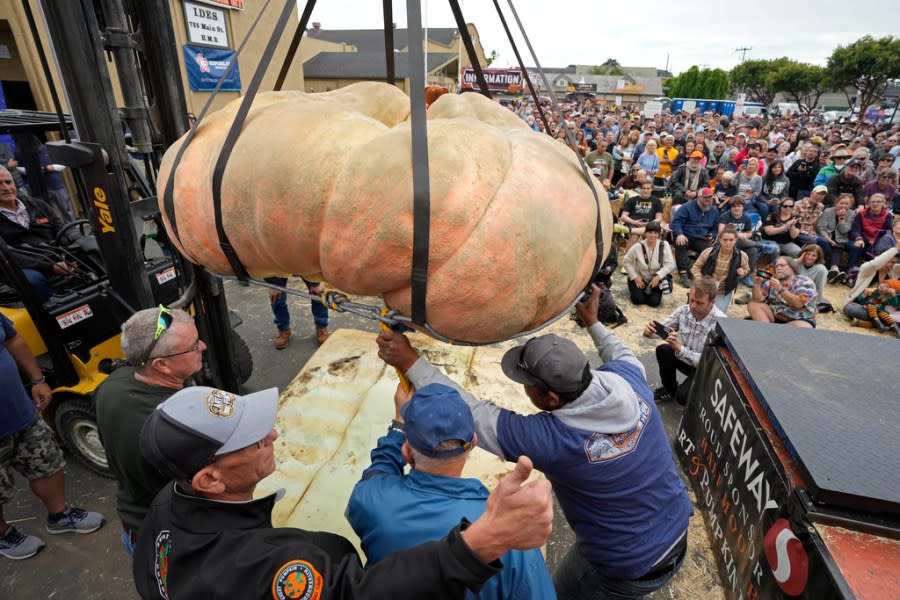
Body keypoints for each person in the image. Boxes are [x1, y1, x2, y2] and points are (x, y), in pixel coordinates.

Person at [377, 285, 692, 600]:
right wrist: (594, 322)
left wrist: (410, 361)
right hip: (676, 528)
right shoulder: (629, 379)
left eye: (528, 384)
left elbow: (472, 413)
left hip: (625, 564)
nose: (524, 388)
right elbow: (619, 351)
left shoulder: (554, 440)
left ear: (551, 398)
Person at [134, 386, 554, 600]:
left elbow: (377, 474)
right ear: (209, 479)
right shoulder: (272, 567)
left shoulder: (163, 512)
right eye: (252, 439)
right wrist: (488, 538)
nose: (273, 434)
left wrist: (395, 432)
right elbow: (363, 594)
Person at [345, 383, 556, 600]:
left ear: (407, 453)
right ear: (473, 442)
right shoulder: (508, 532)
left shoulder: (370, 500)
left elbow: (379, 469)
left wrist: (399, 426)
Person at [95, 306, 206, 556]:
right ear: (162, 365)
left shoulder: (111, 385)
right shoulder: (180, 423)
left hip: (134, 525)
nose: (203, 346)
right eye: (194, 345)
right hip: (174, 541)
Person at [0, 313, 104, 560]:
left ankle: (60, 516)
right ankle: (3, 535)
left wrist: (37, 379)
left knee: (47, 462)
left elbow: (13, 339)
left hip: (20, 411)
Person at [0, 166, 79, 302]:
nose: (6, 188)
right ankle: (52, 312)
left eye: (8, 182)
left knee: (92, 251)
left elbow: (62, 230)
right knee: (32, 280)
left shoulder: (38, 205)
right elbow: (8, 256)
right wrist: (50, 267)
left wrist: (71, 252)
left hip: (55, 256)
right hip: (24, 265)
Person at [644, 276, 725, 406]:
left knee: (683, 398)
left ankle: (700, 400)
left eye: (699, 303)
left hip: (704, 368)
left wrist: (680, 349)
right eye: (691, 300)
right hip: (687, 359)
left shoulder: (721, 324)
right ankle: (669, 390)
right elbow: (663, 329)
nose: (693, 306)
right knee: (663, 350)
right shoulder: (684, 310)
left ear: (712, 302)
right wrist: (650, 332)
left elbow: (709, 363)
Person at [690, 225, 749, 312]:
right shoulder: (708, 252)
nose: (728, 243)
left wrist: (742, 272)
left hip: (724, 291)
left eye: (731, 240)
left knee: (718, 317)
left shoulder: (742, 256)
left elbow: (746, 269)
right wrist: (700, 281)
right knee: (697, 311)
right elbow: (695, 267)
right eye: (725, 240)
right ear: (720, 239)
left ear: (736, 240)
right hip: (705, 288)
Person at [748, 257, 818, 328]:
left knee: (803, 327)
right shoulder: (771, 282)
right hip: (777, 316)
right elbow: (758, 300)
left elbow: (798, 304)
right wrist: (757, 284)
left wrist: (780, 289)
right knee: (753, 305)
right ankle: (768, 330)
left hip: (799, 319)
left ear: (792, 268)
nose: (778, 268)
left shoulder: (805, 282)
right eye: (776, 266)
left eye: (782, 265)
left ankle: (773, 331)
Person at [671, 187, 720, 288]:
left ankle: (704, 275)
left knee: (711, 251)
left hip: (701, 238)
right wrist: (680, 234)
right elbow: (676, 222)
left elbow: (715, 228)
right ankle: (683, 273)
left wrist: (712, 235)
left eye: (710, 197)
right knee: (681, 243)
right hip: (686, 234)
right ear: (699, 197)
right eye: (706, 198)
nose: (708, 200)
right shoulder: (686, 207)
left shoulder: (714, 210)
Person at [265, 276, 329, 349]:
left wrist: (315, 282)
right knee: (276, 298)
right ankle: (283, 329)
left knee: (317, 295)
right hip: (277, 269)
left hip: (306, 266)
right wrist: (273, 283)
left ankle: (321, 326)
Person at [622, 221, 674, 307]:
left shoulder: (664, 245)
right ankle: (636, 288)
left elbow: (670, 264)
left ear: (659, 234)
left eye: (655, 233)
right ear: (645, 233)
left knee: (654, 302)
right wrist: (634, 276)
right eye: (650, 232)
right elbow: (626, 261)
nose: (652, 235)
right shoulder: (638, 246)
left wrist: (659, 276)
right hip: (640, 277)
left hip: (655, 279)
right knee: (638, 300)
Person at [846, 193, 894, 285]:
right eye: (873, 202)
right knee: (858, 246)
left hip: (878, 241)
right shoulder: (861, 214)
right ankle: (849, 273)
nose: (875, 204)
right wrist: (859, 239)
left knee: (879, 252)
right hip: (863, 239)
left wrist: (878, 242)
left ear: (884, 203)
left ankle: (867, 280)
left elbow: (887, 232)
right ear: (868, 203)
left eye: (878, 202)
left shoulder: (888, 216)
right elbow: (856, 230)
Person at [843, 248, 900, 324]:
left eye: (893, 262)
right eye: (887, 260)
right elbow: (875, 264)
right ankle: (885, 321)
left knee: (886, 313)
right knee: (850, 309)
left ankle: (873, 322)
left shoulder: (894, 271)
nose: (889, 264)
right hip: (862, 305)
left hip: (883, 308)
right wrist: (895, 249)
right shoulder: (867, 268)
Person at [817, 193, 857, 277]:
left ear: (850, 205)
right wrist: (828, 239)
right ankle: (833, 268)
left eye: (846, 204)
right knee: (826, 243)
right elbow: (821, 227)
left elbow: (844, 231)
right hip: (827, 236)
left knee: (838, 245)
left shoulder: (852, 214)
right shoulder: (828, 211)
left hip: (841, 239)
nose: (843, 206)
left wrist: (841, 218)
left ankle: (835, 269)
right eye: (841, 203)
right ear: (836, 203)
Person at [619, 181, 663, 252]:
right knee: (634, 236)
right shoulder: (632, 200)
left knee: (649, 234)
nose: (645, 190)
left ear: (651, 189)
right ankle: (628, 258)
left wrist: (649, 224)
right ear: (640, 189)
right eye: (643, 188)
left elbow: (659, 218)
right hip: (633, 223)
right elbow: (623, 217)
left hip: (649, 224)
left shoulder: (657, 201)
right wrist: (635, 222)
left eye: (648, 188)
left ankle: (632, 231)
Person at [796, 244, 830, 312]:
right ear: (803, 254)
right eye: (807, 254)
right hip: (794, 293)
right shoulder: (797, 263)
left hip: (809, 296)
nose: (809, 257)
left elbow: (819, 288)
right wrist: (797, 261)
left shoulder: (820, 269)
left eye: (813, 255)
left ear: (818, 257)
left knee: (823, 269)